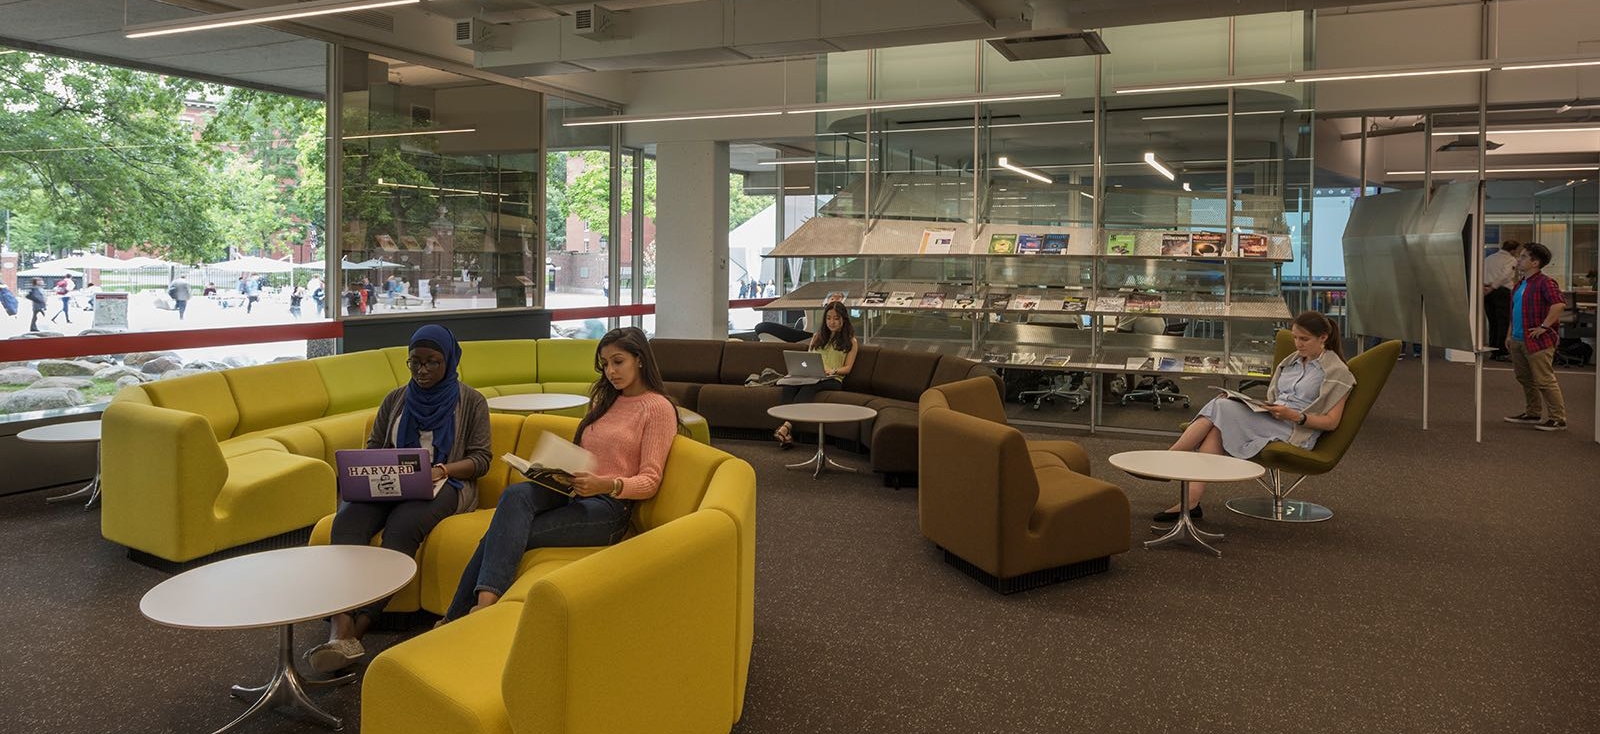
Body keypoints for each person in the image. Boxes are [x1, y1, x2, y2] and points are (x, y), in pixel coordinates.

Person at [440, 326, 681, 622]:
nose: (610, 372)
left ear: (640, 359)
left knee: (503, 533)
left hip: (609, 508)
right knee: (515, 495)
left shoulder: (658, 409)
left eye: (618, 362)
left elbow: (650, 481)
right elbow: (594, 454)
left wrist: (606, 483)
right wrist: (557, 470)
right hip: (575, 492)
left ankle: (467, 614)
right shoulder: (606, 400)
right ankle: (476, 611)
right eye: (604, 364)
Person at [306, 325, 492, 673]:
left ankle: (357, 630)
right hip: (386, 483)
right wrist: (374, 465)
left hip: (445, 485)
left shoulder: (471, 401)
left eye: (432, 363)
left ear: (449, 361)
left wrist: (441, 470)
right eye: (414, 362)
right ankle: (341, 627)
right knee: (346, 522)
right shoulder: (396, 399)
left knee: (403, 526)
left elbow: (481, 460)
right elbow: (375, 446)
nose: (422, 370)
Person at [1154, 311, 1355, 521]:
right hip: (1273, 417)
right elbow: (1276, 398)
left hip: (1296, 429)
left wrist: (1296, 416)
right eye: (1295, 338)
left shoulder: (1337, 372)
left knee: (1220, 408)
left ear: (1323, 337)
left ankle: (1167, 461)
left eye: (1304, 339)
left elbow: (1332, 422)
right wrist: (1245, 401)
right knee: (1220, 415)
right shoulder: (1292, 362)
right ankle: (1191, 502)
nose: (1298, 344)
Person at [772, 301, 860, 448]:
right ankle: (786, 432)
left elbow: (848, 368)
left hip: (833, 379)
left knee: (809, 388)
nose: (831, 322)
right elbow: (808, 359)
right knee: (788, 386)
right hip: (812, 375)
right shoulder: (817, 337)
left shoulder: (851, 341)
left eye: (836, 318)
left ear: (843, 320)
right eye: (828, 318)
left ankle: (786, 427)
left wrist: (832, 371)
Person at [1502, 241, 1568, 432]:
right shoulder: (1521, 283)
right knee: (1525, 378)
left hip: (1537, 340)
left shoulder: (1545, 282)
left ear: (1535, 263)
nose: (1519, 259)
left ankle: (1558, 418)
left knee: (1544, 380)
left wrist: (1544, 326)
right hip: (1517, 339)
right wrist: (1509, 335)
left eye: (1523, 257)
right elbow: (1515, 311)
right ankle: (1533, 412)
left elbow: (1558, 304)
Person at [1482, 239, 1521, 361]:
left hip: (1486, 291)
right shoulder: (1511, 259)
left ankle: (1493, 349)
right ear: (1513, 250)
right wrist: (1493, 287)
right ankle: (1501, 351)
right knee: (1503, 321)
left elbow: (1482, 272)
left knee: (1492, 321)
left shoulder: (1490, 258)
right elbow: (1504, 276)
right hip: (1501, 292)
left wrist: (1486, 288)